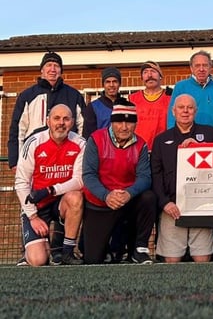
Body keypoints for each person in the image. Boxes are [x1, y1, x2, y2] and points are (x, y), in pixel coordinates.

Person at [7, 51, 86, 265]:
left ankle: (62, 252)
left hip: (64, 172)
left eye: (56, 66)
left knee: (73, 198)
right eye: (49, 65)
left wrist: (81, 153)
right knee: (37, 260)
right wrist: (15, 159)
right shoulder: (27, 95)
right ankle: (31, 249)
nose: (53, 69)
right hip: (35, 164)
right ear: (41, 70)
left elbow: (83, 125)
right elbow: (17, 128)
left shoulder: (73, 95)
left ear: (61, 70)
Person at [82, 101, 157, 264]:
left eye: (129, 121)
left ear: (135, 123)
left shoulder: (141, 144)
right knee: (93, 259)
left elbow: (145, 177)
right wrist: (106, 195)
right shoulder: (95, 140)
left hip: (127, 200)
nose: (124, 127)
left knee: (149, 197)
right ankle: (100, 245)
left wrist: (129, 193)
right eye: (119, 121)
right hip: (100, 203)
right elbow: (88, 175)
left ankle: (139, 249)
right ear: (112, 122)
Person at [152, 94, 213, 263]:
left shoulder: (211, 134)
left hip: (200, 207)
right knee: (172, 260)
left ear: (195, 111)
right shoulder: (161, 140)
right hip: (172, 207)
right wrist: (165, 203)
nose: (185, 111)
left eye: (189, 107)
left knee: (202, 259)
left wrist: (200, 148)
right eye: (181, 107)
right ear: (173, 111)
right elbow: (156, 174)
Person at [15, 104, 86, 266]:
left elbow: (79, 180)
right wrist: (32, 217)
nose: (61, 123)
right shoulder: (33, 142)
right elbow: (21, 183)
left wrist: (51, 190)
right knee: (38, 260)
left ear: (72, 122)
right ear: (48, 121)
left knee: (76, 196)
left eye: (66, 119)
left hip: (61, 202)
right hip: (37, 204)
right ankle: (37, 249)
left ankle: (66, 252)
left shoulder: (80, 143)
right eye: (56, 118)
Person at [168, 50, 213, 141]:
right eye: (197, 65)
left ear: (210, 67)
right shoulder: (180, 87)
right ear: (191, 68)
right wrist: (172, 139)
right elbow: (172, 115)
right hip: (185, 140)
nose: (201, 69)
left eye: (205, 65)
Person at [128, 60, 173, 152]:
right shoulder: (132, 99)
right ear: (142, 77)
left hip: (163, 149)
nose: (149, 75)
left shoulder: (171, 97)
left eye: (153, 71)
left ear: (160, 76)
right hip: (138, 150)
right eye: (145, 72)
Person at [83, 67, 127, 138]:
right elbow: (88, 136)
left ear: (119, 84)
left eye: (115, 81)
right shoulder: (93, 107)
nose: (111, 85)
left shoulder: (127, 106)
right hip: (101, 147)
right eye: (108, 82)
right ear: (103, 84)